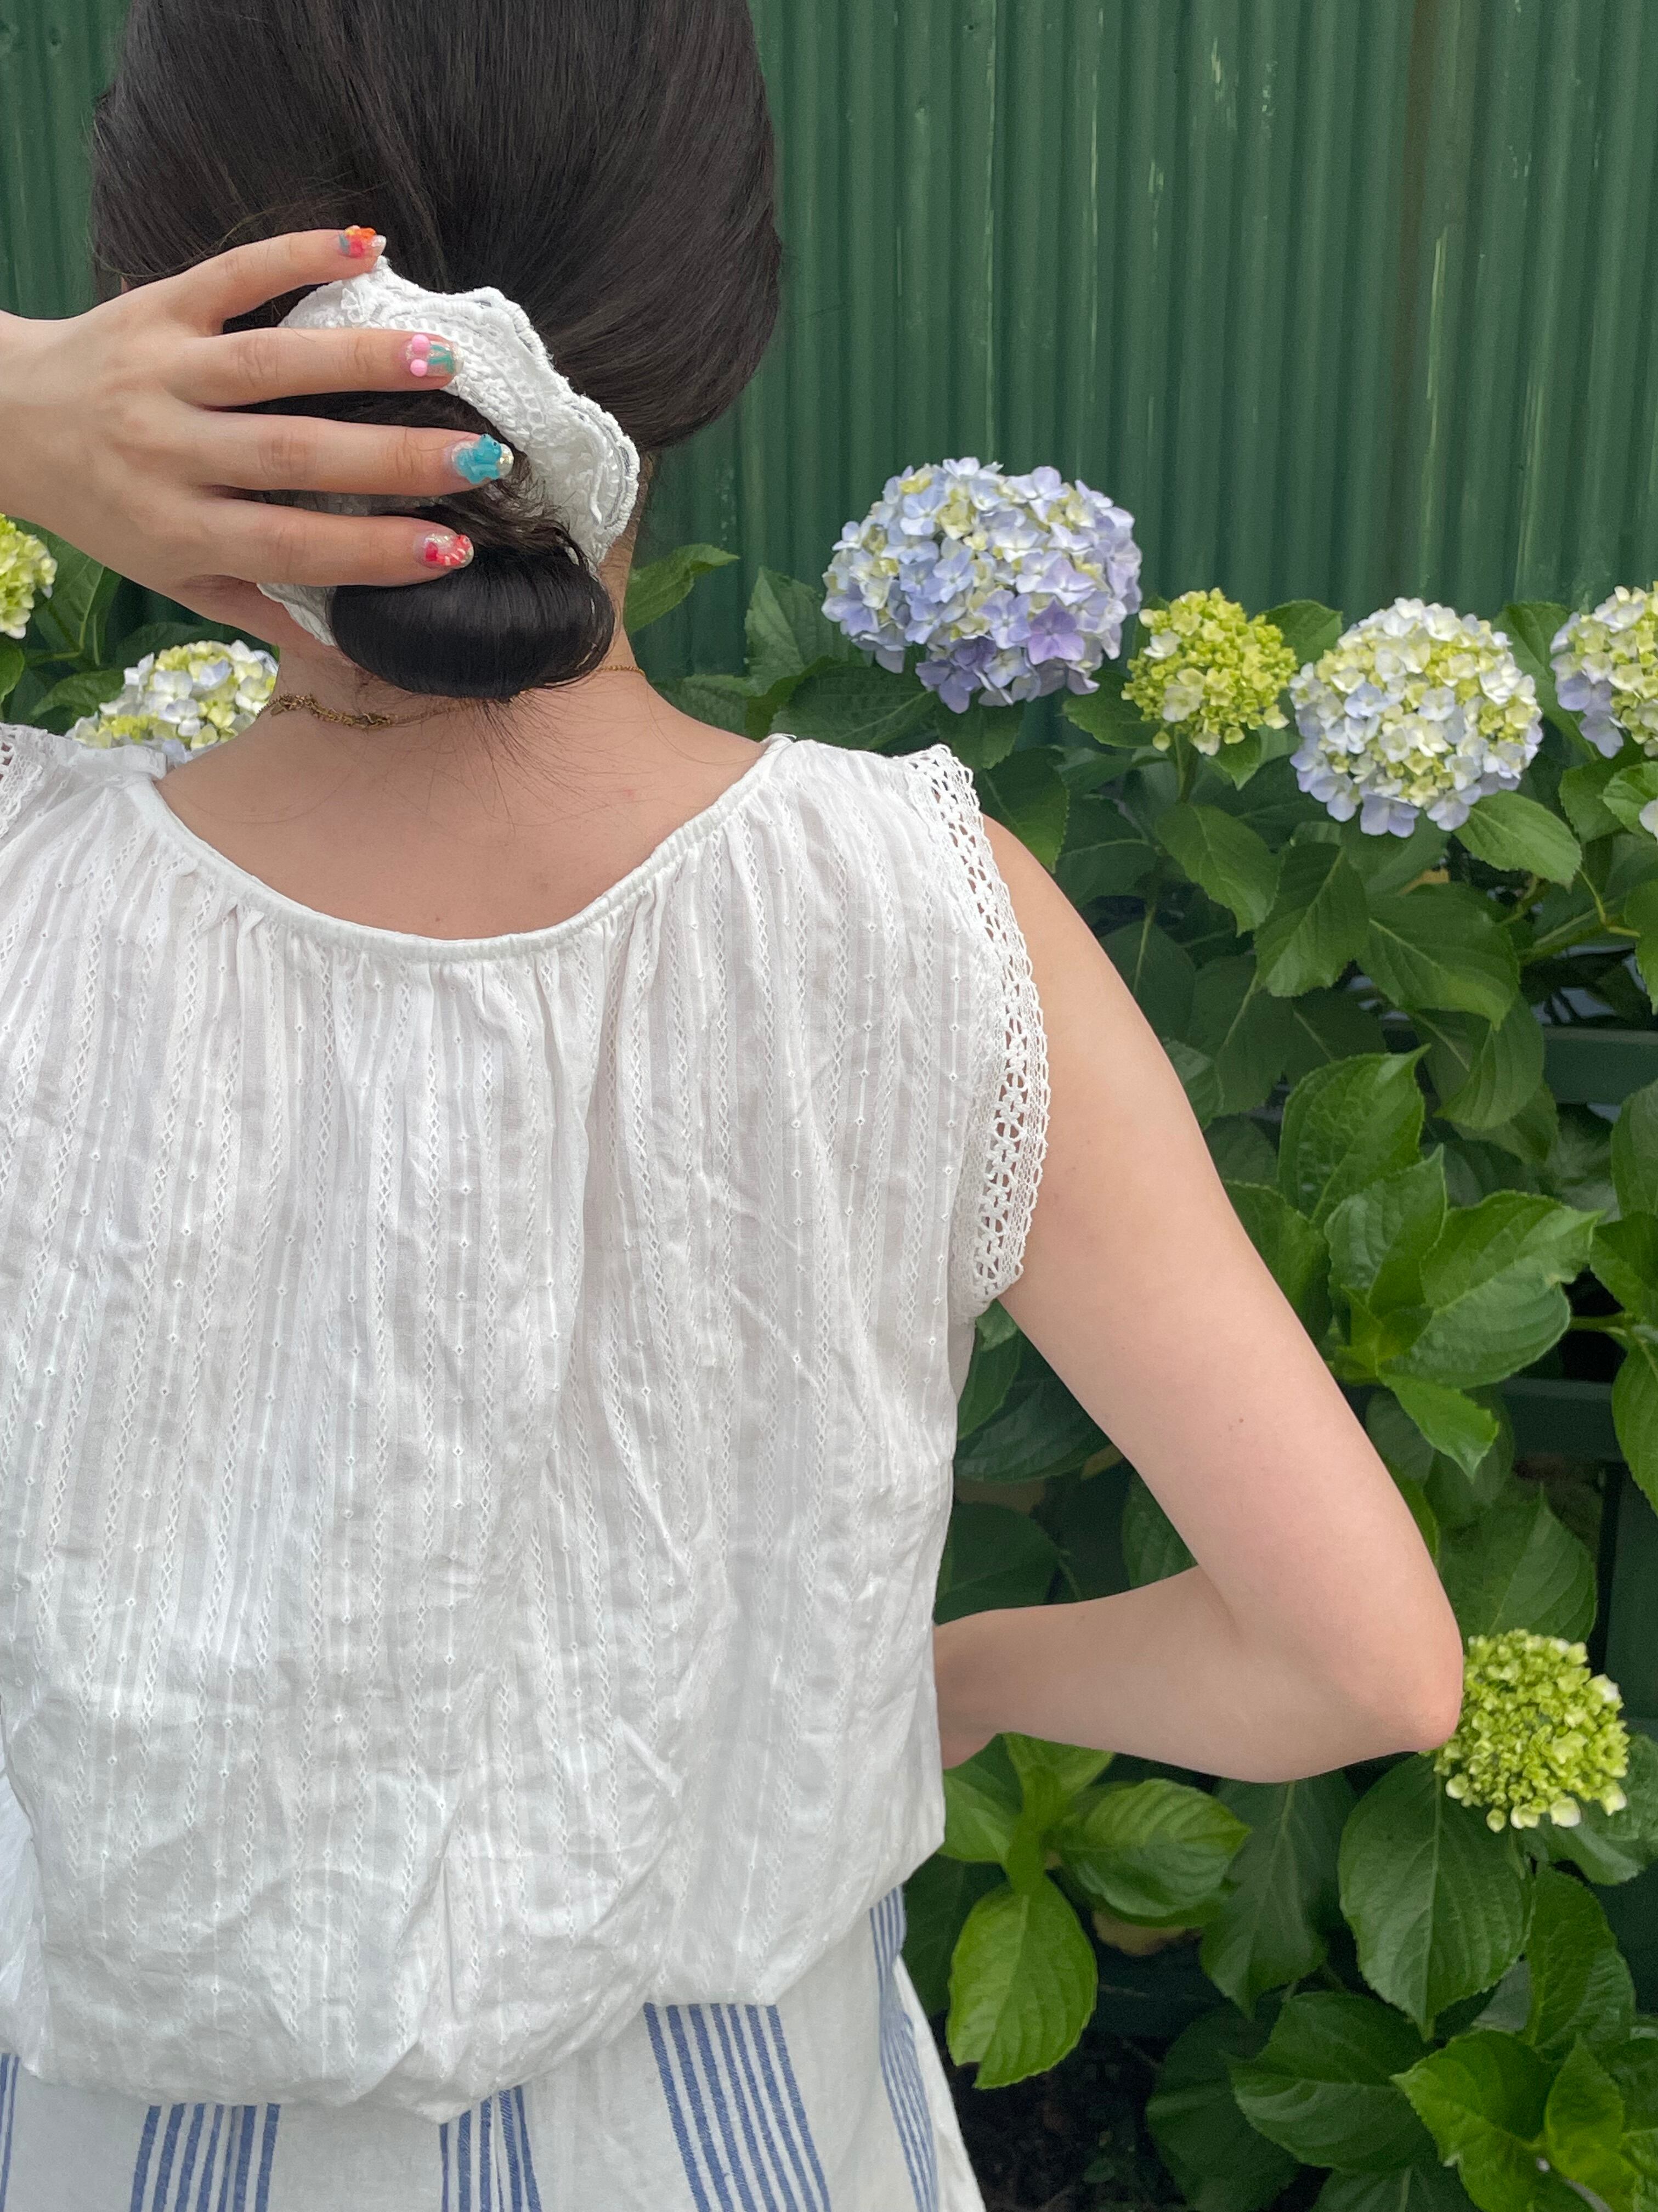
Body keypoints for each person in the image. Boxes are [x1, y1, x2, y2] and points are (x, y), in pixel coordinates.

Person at [0, 2, 1464, 2205]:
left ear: (145, 313)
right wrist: (950, 1680)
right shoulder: (925, 919)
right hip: (745, 2141)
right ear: (720, 305)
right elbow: (1367, 1665)